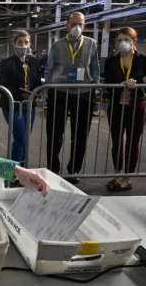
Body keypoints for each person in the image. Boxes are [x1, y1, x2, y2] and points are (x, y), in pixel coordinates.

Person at [45, 11, 100, 184]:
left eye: (80, 24)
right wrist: (48, 88)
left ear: (84, 26)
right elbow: (49, 69)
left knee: (81, 135)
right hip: (59, 93)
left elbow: (95, 69)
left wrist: (94, 88)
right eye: (73, 23)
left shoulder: (92, 44)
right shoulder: (57, 45)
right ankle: (53, 168)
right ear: (67, 25)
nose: (77, 27)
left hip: (83, 95)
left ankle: (73, 170)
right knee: (54, 134)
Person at [103, 27, 146, 191]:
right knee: (117, 141)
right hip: (116, 104)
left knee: (133, 142)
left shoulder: (143, 60)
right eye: (119, 40)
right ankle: (117, 174)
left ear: (134, 41)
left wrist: (141, 82)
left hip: (137, 105)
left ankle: (127, 177)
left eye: (126, 40)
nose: (123, 43)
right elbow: (107, 83)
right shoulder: (110, 61)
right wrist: (121, 84)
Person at [0, 30, 42, 168]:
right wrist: (19, 94)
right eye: (20, 42)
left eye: (26, 42)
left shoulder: (34, 62)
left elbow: (37, 82)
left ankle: (22, 168)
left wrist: (38, 91)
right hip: (13, 105)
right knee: (20, 138)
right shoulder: (6, 63)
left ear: (30, 44)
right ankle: (15, 171)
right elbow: (1, 86)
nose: (23, 45)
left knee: (25, 139)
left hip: (30, 106)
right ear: (14, 44)